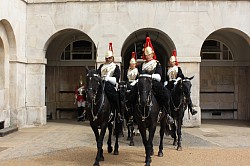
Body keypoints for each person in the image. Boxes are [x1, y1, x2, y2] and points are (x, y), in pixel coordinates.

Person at [136, 37, 173, 124]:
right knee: (132, 94)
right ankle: (131, 115)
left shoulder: (156, 63)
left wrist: (150, 75)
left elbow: (159, 75)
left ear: (152, 54)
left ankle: (167, 114)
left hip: (153, 83)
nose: (148, 56)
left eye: (149, 55)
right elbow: (138, 74)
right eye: (146, 55)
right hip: (143, 83)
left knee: (165, 95)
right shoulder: (141, 65)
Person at [165, 50, 197, 115]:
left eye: (173, 62)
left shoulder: (178, 68)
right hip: (169, 84)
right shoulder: (168, 69)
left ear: (175, 62)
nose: (172, 63)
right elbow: (166, 77)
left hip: (177, 83)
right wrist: (166, 82)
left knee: (186, 94)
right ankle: (165, 110)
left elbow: (180, 75)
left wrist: (177, 81)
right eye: (171, 62)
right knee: (165, 94)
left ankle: (191, 108)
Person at [97, 42, 122, 120]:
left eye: (110, 58)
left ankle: (116, 112)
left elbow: (116, 79)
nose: (108, 59)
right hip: (101, 84)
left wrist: (107, 78)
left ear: (112, 58)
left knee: (114, 97)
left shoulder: (116, 67)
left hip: (110, 85)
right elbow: (97, 74)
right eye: (107, 58)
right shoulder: (101, 66)